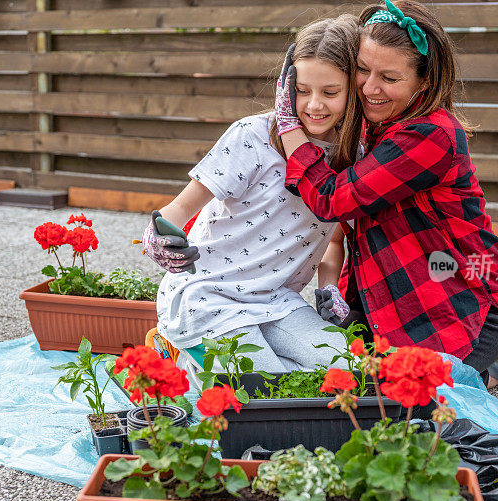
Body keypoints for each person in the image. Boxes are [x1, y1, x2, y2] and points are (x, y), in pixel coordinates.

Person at [276, 0, 498, 387]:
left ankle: (479, 372)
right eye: (361, 69)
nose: (370, 88)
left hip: (459, 305)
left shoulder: (430, 135)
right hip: (386, 297)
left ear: (424, 81)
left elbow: (332, 200)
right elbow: (343, 228)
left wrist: (288, 123)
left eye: (388, 77)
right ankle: (474, 372)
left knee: (397, 399)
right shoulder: (370, 121)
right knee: (326, 371)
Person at [140, 15, 364, 383]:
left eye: (330, 92)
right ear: (286, 85)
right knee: (261, 389)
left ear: (352, 91)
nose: (314, 105)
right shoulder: (252, 136)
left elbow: (334, 238)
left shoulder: (352, 155)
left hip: (277, 302)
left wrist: (328, 288)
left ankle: (202, 363)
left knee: (349, 375)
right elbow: (181, 207)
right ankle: (177, 352)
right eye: (302, 90)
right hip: (208, 296)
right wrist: (156, 234)